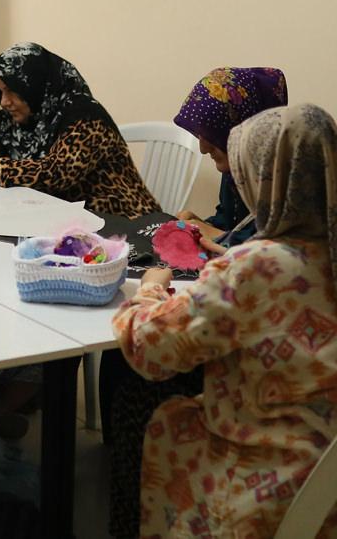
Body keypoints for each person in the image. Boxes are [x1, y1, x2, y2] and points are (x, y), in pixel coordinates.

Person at [112, 103, 337, 538]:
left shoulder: (258, 267)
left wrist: (150, 289)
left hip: (268, 489)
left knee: (154, 403)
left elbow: (150, 348)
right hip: (325, 483)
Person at [0, 42, 158, 218]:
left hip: (121, 225)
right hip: (60, 221)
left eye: (12, 91)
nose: (4, 101)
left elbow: (53, 175)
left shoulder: (86, 117)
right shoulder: (24, 115)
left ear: (35, 86)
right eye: (0, 91)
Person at [173, 66, 289, 245]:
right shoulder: (235, 170)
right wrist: (200, 224)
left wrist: (213, 233)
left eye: (212, 134)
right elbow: (230, 223)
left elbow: (277, 248)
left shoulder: (287, 182)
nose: (203, 149)